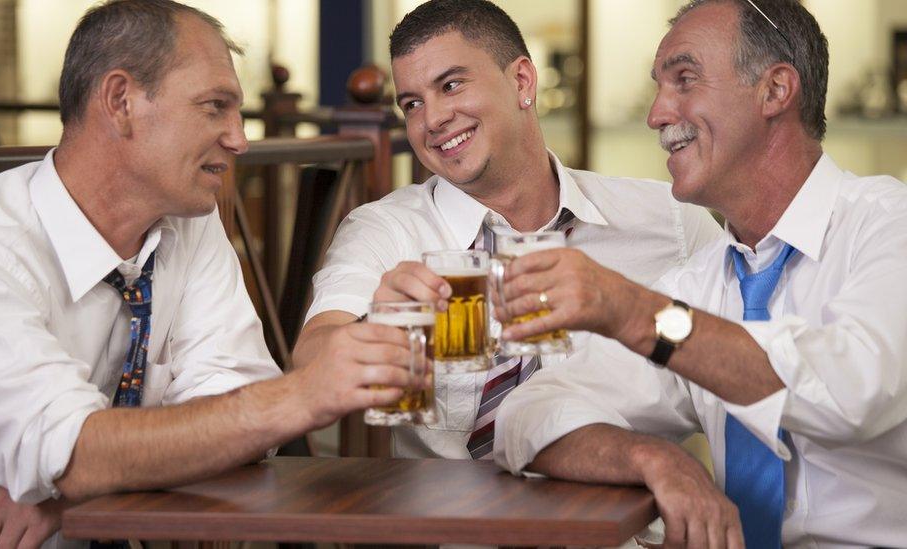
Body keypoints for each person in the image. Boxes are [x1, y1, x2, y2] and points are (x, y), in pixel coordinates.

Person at [0, 1, 419, 547]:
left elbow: (237, 402)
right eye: (214, 107)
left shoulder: (188, 221)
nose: (239, 139)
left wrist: (73, 485)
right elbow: (78, 453)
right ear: (121, 103)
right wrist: (300, 396)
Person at [493, 0, 907, 547]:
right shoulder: (700, 284)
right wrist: (655, 457)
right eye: (658, 87)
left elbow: (850, 393)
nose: (657, 114)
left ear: (775, 91)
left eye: (684, 79)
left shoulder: (888, 226)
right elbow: (526, 416)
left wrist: (631, 311)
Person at [294, 0, 721, 462]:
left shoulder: (671, 221)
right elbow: (312, 358)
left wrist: (637, 313)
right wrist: (374, 328)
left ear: (522, 81)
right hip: (455, 529)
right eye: (413, 104)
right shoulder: (387, 231)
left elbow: (744, 364)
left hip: (623, 526)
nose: (432, 120)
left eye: (451, 85)